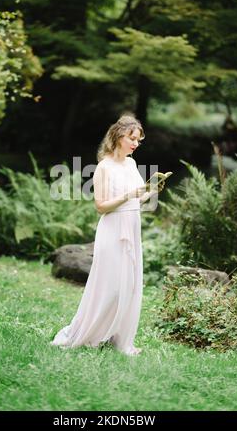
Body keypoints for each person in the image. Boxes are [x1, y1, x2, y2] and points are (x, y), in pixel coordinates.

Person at [50, 112, 164, 356]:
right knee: (109, 285)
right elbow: (101, 206)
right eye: (132, 138)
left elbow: (138, 197)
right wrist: (130, 195)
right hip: (112, 229)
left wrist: (151, 190)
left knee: (129, 284)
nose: (135, 143)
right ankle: (89, 332)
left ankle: (120, 338)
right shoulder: (104, 167)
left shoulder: (132, 164)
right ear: (118, 136)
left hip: (131, 226)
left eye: (138, 140)